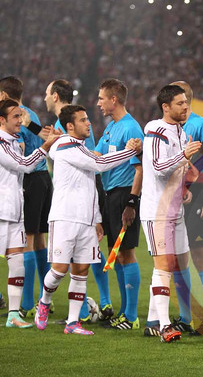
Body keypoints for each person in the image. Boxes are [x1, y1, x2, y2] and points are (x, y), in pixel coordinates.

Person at [34, 104, 141, 335]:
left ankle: (73, 323)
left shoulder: (80, 148)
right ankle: (44, 302)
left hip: (86, 220)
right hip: (65, 218)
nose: (88, 123)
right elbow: (99, 164)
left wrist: (97, 219)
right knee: (59, 270)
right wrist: (130, 151)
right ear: (70, 126)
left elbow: (90, 187)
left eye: (87, 119)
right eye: (83, 120)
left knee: (81, 270)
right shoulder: (64, 145)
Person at [44, 79, 113, 321]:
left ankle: (93, 306)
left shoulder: (76, 124)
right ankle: (87, 307)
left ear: (54, 96)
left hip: (88, 190)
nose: (45, 97)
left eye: (47, 93)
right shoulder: (64, 126)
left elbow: (92, 158)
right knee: (74, 261)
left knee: (84, 258)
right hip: (75, 197)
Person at [140, 84, 202, 343]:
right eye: (180, 103)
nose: (186, 107)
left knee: (175, 265)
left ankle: (153, 321)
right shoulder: (156, 130)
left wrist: (184, 186)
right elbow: (157, 167)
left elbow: (176, 169)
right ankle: (166, 325)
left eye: (186, 102)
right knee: (164, 265)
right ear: (165, 107)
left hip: (175, 210)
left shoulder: (181, 132)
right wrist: (184, 155)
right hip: (157, 210)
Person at [166, 80, 203, 336]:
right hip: (176, 196)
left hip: (198, 194)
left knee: (200, 257)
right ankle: (185, 318)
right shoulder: (171, 128)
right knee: (178, 258)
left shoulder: (200, 125)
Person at [0, 99, 59, 329]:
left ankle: (13, 315)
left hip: (15, 211)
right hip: (2, 211)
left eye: (20, 116)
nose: (20, 121)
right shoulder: (2, 143)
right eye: (15, 117)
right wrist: (45, 147)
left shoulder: (14, 142)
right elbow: (24, 165)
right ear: (2, 120)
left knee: (17, 263)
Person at [95, 78, 144, 330]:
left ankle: (132, 316)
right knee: (116, 253)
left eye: (101, 98)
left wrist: (131, 203)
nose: (98, 103)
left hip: (124, 195)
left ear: (114, 99)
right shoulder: (111, 127)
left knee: (127, 253)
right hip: (109, 195)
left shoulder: (131, 128)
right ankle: (124, 312)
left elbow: (140, 169)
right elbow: (97, 155)